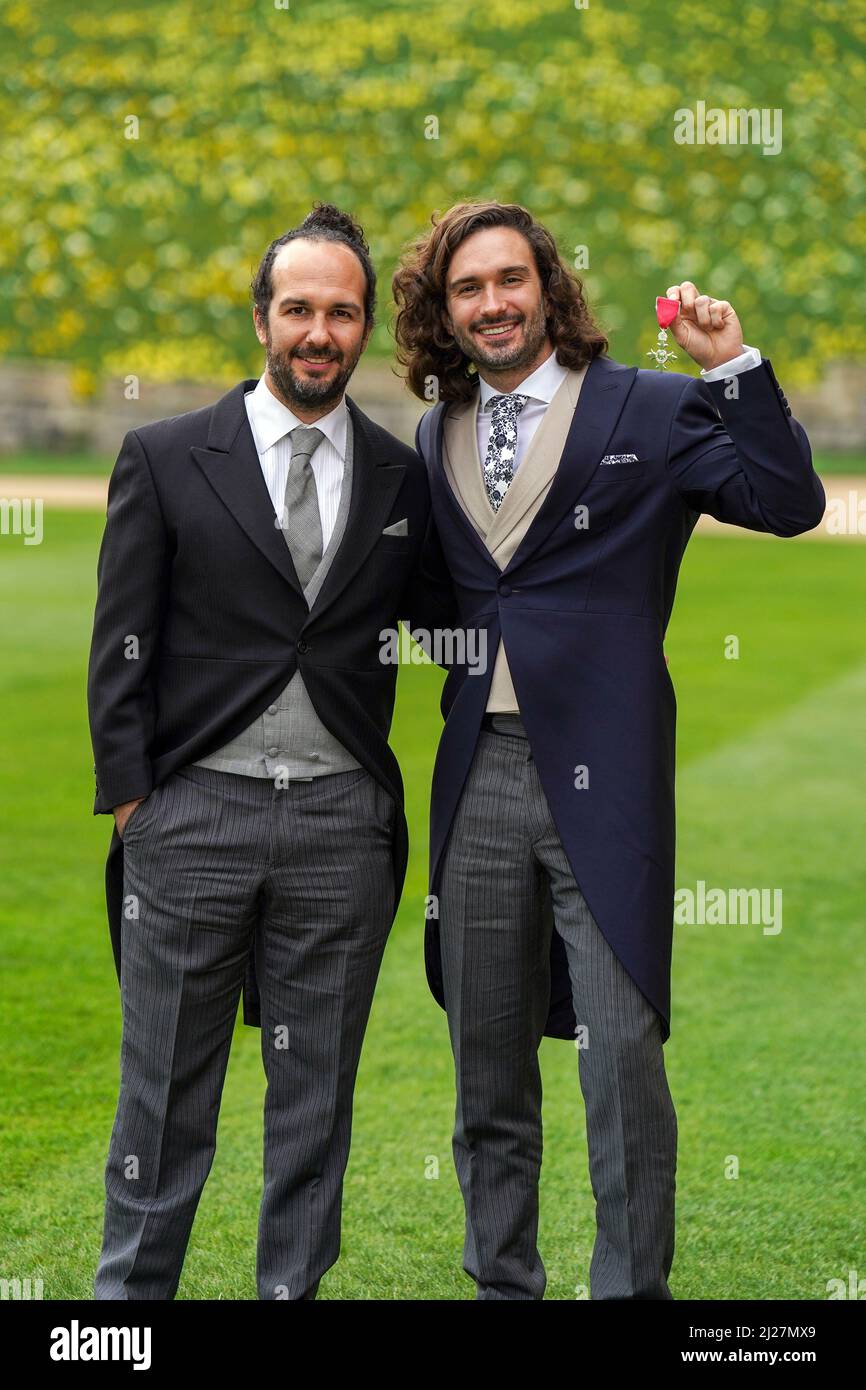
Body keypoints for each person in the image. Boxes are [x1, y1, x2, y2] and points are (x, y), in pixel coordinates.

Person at [393, 199, 826, 1300]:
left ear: (548, 286)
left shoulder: (651, 404)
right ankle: (504, 1283)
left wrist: (731, 367)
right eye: (466, 289)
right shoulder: (433, 430)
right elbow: (447, 596)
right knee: (484, 1071)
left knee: (620, 1063)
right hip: (474, 779)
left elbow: (785, 502)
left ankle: (630, 1292)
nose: (490, 303)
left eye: (508, 280)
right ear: (444, 313)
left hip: (607, 780)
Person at [88, 202, 451, 1300]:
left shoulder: (401, 477)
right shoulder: (163, 456)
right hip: (191, 815)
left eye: (342, 311)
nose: (319, 331)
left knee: (314, 1102)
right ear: (261, 319)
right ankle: (128, 1310)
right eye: (298, 307)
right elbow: (118, 650)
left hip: (341, 828)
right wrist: (136, 806)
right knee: (161, 1097)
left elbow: (448, 618)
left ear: (358, 330)